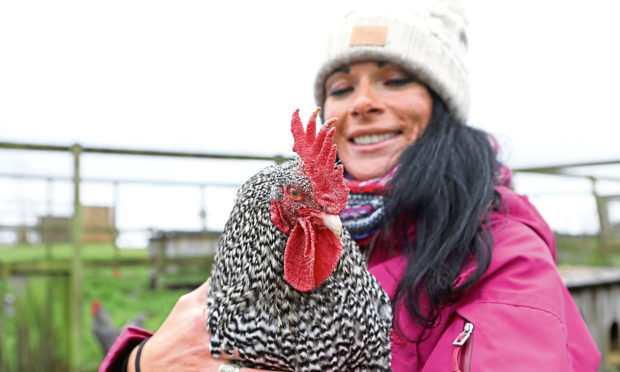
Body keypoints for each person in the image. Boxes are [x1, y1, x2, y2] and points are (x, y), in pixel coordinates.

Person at [100, 2, 601, 371]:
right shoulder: (289, 243)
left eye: (395, 79)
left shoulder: (502, 255)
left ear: (442, 107)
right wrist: (140, 363)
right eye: (341, 88)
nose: (361, 103)